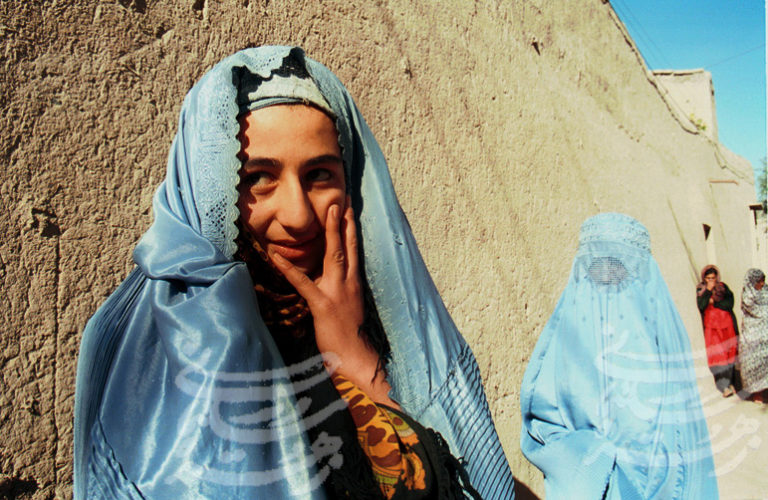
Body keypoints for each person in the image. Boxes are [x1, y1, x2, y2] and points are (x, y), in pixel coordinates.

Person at [73, 46, 515, 499]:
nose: (299, 216)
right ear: (210, 187)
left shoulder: (385, 322)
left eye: (320, 174)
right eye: (259, 178)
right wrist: (359, 375)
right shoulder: (167, 352)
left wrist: (355, 350)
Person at [520, 213, 717, 499]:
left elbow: (685, 444)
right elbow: (540, 423)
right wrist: (591, 461)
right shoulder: (564, 342)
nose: (608, 282)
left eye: (620, 272)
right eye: (597, 271)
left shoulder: (662, 344)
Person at [696, 265, 740, 396]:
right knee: (718, 356)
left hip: (727, 326)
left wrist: (714, 303)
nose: (711, 281)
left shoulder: (723, 287)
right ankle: (723, 386)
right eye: (708, 278)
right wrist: (708, 291)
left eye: (713, 278)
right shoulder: (701, 289)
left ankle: (731, 382)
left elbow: (729, 304)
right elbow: (702, 305)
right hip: (713, 329)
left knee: (730, 354)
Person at [739, 268, 768, 403]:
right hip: (753, 335)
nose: (762, 284)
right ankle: (757, 393)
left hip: (765, 334)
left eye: (763, 281)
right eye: (760, 281)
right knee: (754, 365)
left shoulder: (765, 291)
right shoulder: (748, 296)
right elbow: (758, 312)